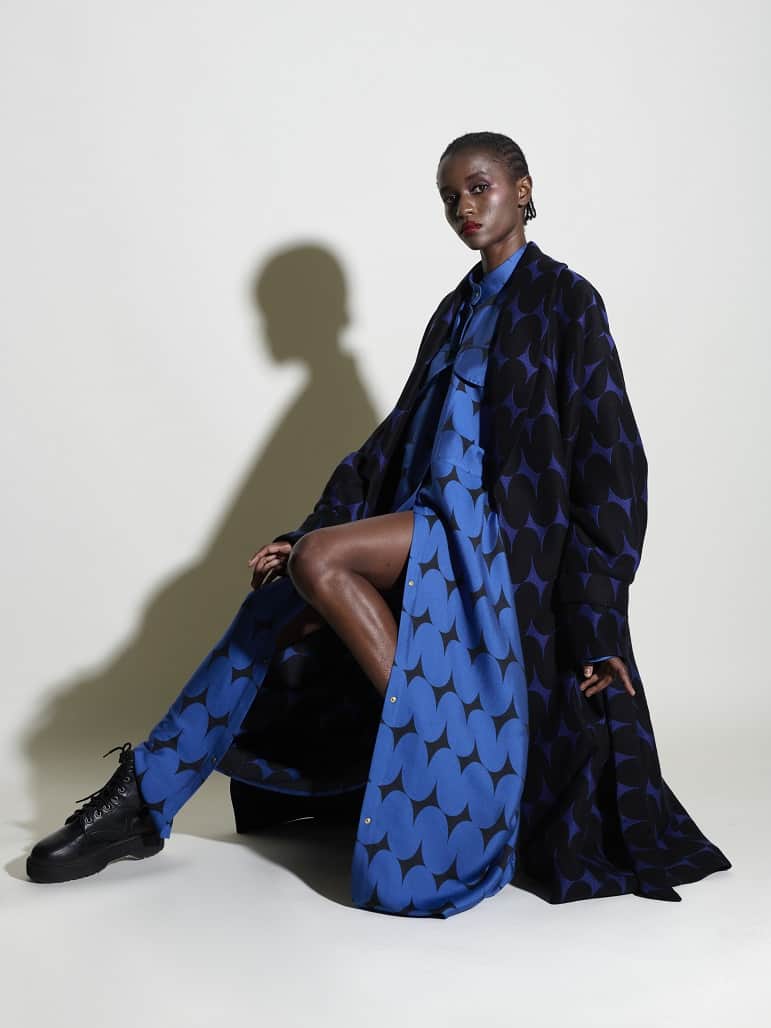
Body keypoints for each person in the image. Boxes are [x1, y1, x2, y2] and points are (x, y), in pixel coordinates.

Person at [26, 132, 731, 917]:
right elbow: (391, 442)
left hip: (500, 550)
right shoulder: (457, 309)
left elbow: (610, 457)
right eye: (449, 197)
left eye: (479, 187)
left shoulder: (567, 301)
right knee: (276, 602)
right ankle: (141, 801)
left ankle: (447, 744)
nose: (464, 208)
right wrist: (307, 528)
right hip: (431, 527)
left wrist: (595, 616)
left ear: (523, 189)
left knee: (320, 564)